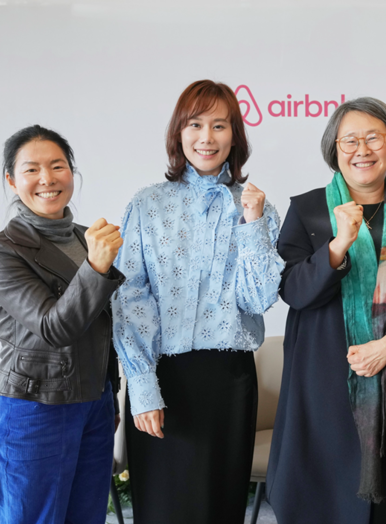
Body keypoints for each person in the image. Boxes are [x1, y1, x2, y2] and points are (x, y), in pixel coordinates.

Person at [267, 97, 386, 524]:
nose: (362, 150)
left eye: (374, 138)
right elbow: (292, 289)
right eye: (349, 140)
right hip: (324, 380)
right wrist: (337, 246)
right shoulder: (309, 211)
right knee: (325, 499)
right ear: (334, 149)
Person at [111, 79, 284, 524]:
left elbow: (259, 298)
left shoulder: (256, 206)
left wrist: (252, 224)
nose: (207, 137)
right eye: (195, 124)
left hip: (229, 380)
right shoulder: (148, 204)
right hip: (162, 377)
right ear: (179, 132)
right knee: (163, 509)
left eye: (219, 126)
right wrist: (142, 386)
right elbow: (129, 297)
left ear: (235, 136)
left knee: (218, 507)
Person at [0, 125, 125, 524]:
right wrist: (96, 267)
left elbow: (104, 328)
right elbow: (53, 327)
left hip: (95, 403)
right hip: (35, 407)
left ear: (71, 173)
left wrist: (110, 396)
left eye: (57, 166)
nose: (47, 179)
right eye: (31, 169)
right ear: (12, 180)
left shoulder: (87, 237)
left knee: (87, 517)